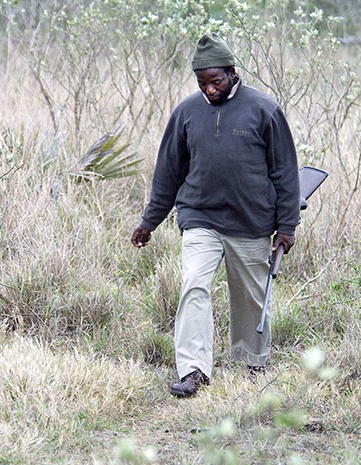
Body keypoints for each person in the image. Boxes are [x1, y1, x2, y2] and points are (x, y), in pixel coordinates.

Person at [130, 32, 300, 398]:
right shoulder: (186, 113)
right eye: (202, 83)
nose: (209, 89)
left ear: (233, 72)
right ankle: (194, 371)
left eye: (216, 81)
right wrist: (149, 221)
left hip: (251, 221)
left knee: (251, 297)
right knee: (193, 285)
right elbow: (168, 173)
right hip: (199, 217)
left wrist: (286, 225)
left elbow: (285, 171)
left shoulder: (264, 109)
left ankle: (252, 363)